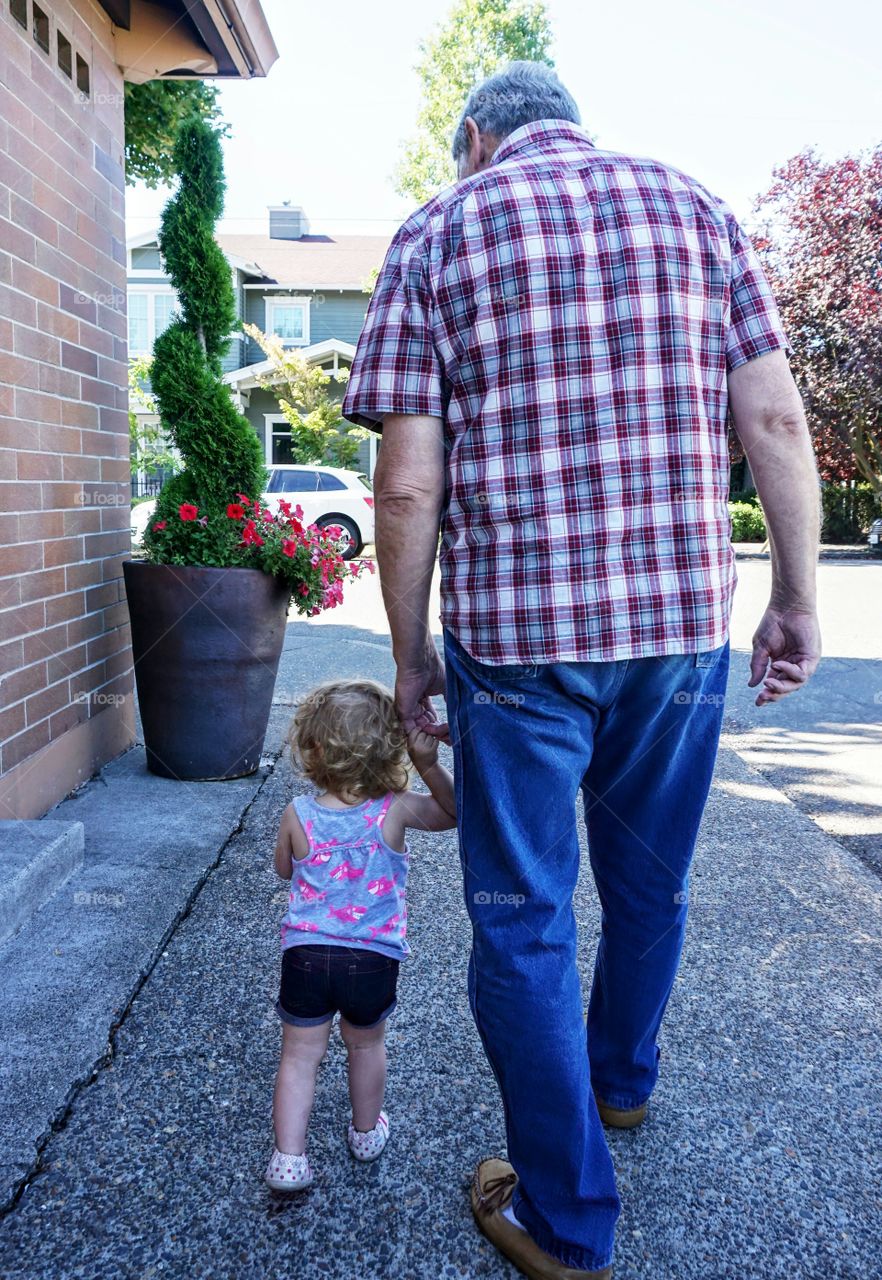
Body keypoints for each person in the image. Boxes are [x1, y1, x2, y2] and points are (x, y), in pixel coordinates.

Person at [342, 60, 821, 1280]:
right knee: (650, 883)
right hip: (674, 634)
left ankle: (562, 1217)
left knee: (522, 918)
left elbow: (405, 482)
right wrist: (795, 599)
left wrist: (409, 660)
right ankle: (618, 1090)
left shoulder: (439, 231)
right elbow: (772, 421)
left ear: (473, 137)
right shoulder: (697, 208)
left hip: (517, 646)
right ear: (571, 123)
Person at [264, 678, 456, 1191]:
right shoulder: (394, 807)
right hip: (371, 959)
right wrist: (430, 766)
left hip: (305, 954)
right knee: (366, 1047)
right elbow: (453, 814)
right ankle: (366, 1133)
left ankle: (289, 1159)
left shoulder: (297, 813)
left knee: (300, 1055)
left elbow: (286, 869)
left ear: (314, 748)